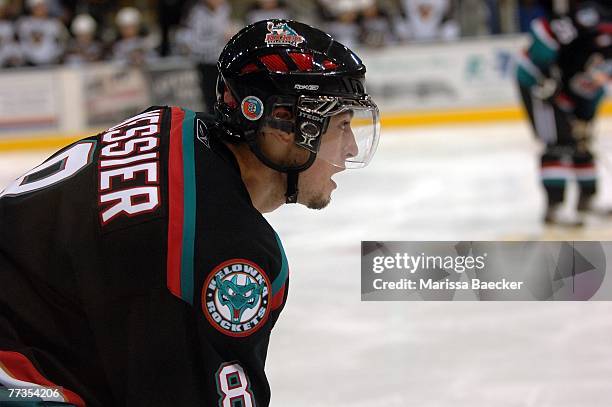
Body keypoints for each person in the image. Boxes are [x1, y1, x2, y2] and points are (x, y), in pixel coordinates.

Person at [0, 19, 380, 406]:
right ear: (283, 122)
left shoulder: (169, 122)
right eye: (342, 125)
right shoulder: (227, 248)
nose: (349, 148)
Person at [516, 1, 611, 225]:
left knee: (582, 140)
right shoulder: (594, 14)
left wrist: (585, 117)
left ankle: (587, 200)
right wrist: (546, 74)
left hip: (572, 86)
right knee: (557, 141)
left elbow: (595, 85)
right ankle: (554, 208)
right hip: (537, 79)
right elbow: (543, 32)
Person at [16, 0, 68, 66]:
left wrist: (57, 55)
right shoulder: (23, 23)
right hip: (28, 63)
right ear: (32, 8)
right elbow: (18, 42)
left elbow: (64, 41)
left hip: (51, 62)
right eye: (39, 6)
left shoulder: (55, 24)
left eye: (44, 6)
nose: (42, 9)